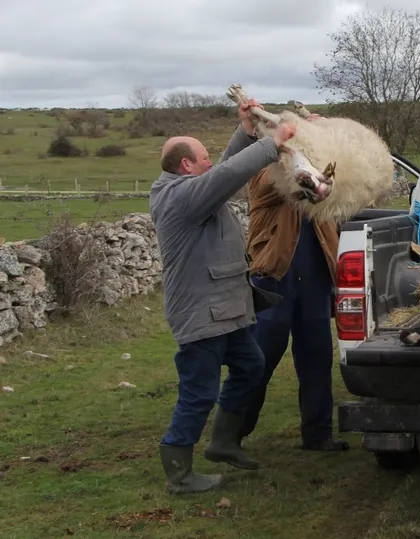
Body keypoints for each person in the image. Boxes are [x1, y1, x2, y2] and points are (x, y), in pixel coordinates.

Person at [149, 99, 298, 494]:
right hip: (201, 315)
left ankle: (223, 442)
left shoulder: (187, 188)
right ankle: (179, 473)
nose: (209, 161)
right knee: (199, 393)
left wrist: (247, 129)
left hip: (225, 311)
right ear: (186, 166)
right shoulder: (180, 199)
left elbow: (222, 172)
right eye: (202, 157)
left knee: (251, 366)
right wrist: (272, 144)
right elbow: (226, 175)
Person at [236, 112, 350, 452]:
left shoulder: (317, 167)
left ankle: (318, 435)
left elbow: (336, 184)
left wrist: (324, 137)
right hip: (274, 278)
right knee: (260, 359)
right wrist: (297, 146)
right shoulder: (263, 173)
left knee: (316, 359)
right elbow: (288, 183)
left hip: (314, 279)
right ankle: (233, 433)